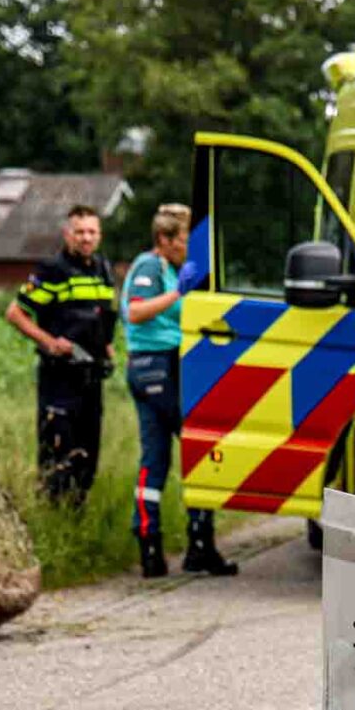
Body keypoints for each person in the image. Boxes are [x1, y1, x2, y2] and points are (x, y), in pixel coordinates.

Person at [120, 204, 236, 578]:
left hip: (170, 364)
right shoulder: (149, 267)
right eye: (184, 240)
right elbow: (135, 312)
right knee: (197, 447)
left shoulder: (171, 268)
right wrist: (177, 294)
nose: (189, 248)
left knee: (156, 459)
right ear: (164, 240)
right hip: (154, 364)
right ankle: (199, 543)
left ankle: (153, 548)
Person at [5, 204, 117, 505]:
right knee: (57, 455)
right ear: (67, 234)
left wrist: (108, 347)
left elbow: (102, 318)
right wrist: (49, 342)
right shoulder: (52, 270)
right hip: (60, 377)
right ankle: (51, 515)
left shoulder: (103, 270)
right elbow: (15, 313)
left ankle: (77, 517)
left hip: (91, 376)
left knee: (87, 457)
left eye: (92, 232)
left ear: (99, 236)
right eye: (79, 232)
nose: (85, 238)